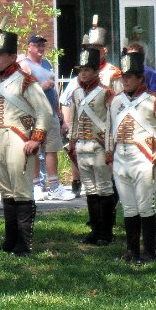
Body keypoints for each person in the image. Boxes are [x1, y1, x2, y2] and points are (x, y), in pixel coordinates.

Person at [0, 22, 52, 255]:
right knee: (6, 192)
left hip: (18, 138)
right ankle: (10, 240)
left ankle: (24, 243)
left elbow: (44, 111)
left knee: (21, 191)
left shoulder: (25, 80)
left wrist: (37, 138)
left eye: (2, 54)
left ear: (13, 56)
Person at [106, 49, 156, 264]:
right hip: (122, 157)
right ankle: (132, 250)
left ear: (140, 78)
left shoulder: (153, 101)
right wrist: (109, 152)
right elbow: (110, 129)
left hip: (143, 157)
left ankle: (149, 252)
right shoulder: (116, 101)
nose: (125, 81)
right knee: (129, 207)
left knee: (145, 205)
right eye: (123, 77)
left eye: (130, 77)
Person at [67, 46, 114, 245]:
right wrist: (71, 140)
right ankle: (95, 230)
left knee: (104, 190)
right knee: (91, 190)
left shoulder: (106, 93)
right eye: (81, 70)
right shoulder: (77, 93)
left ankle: (105, 232)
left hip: (99, 145)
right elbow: (75, 119)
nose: (83, 74)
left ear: (96, 72)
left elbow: (112, 120)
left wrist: (110, 147)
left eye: (87, 70)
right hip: (82, 145)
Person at [19, 34, 73, 201]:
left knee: (51, 150)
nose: (40, 48)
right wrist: (41, 87)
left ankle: (54, 186)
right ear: (29, 47)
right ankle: (36, 186)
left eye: (43, 45)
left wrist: (59, 114)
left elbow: (55, 90)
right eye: (37, 45)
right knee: (34, 150)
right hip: (34, 114)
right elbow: (22, 91)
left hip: (51, 113)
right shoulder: (23, 65)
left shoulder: (48, 64)